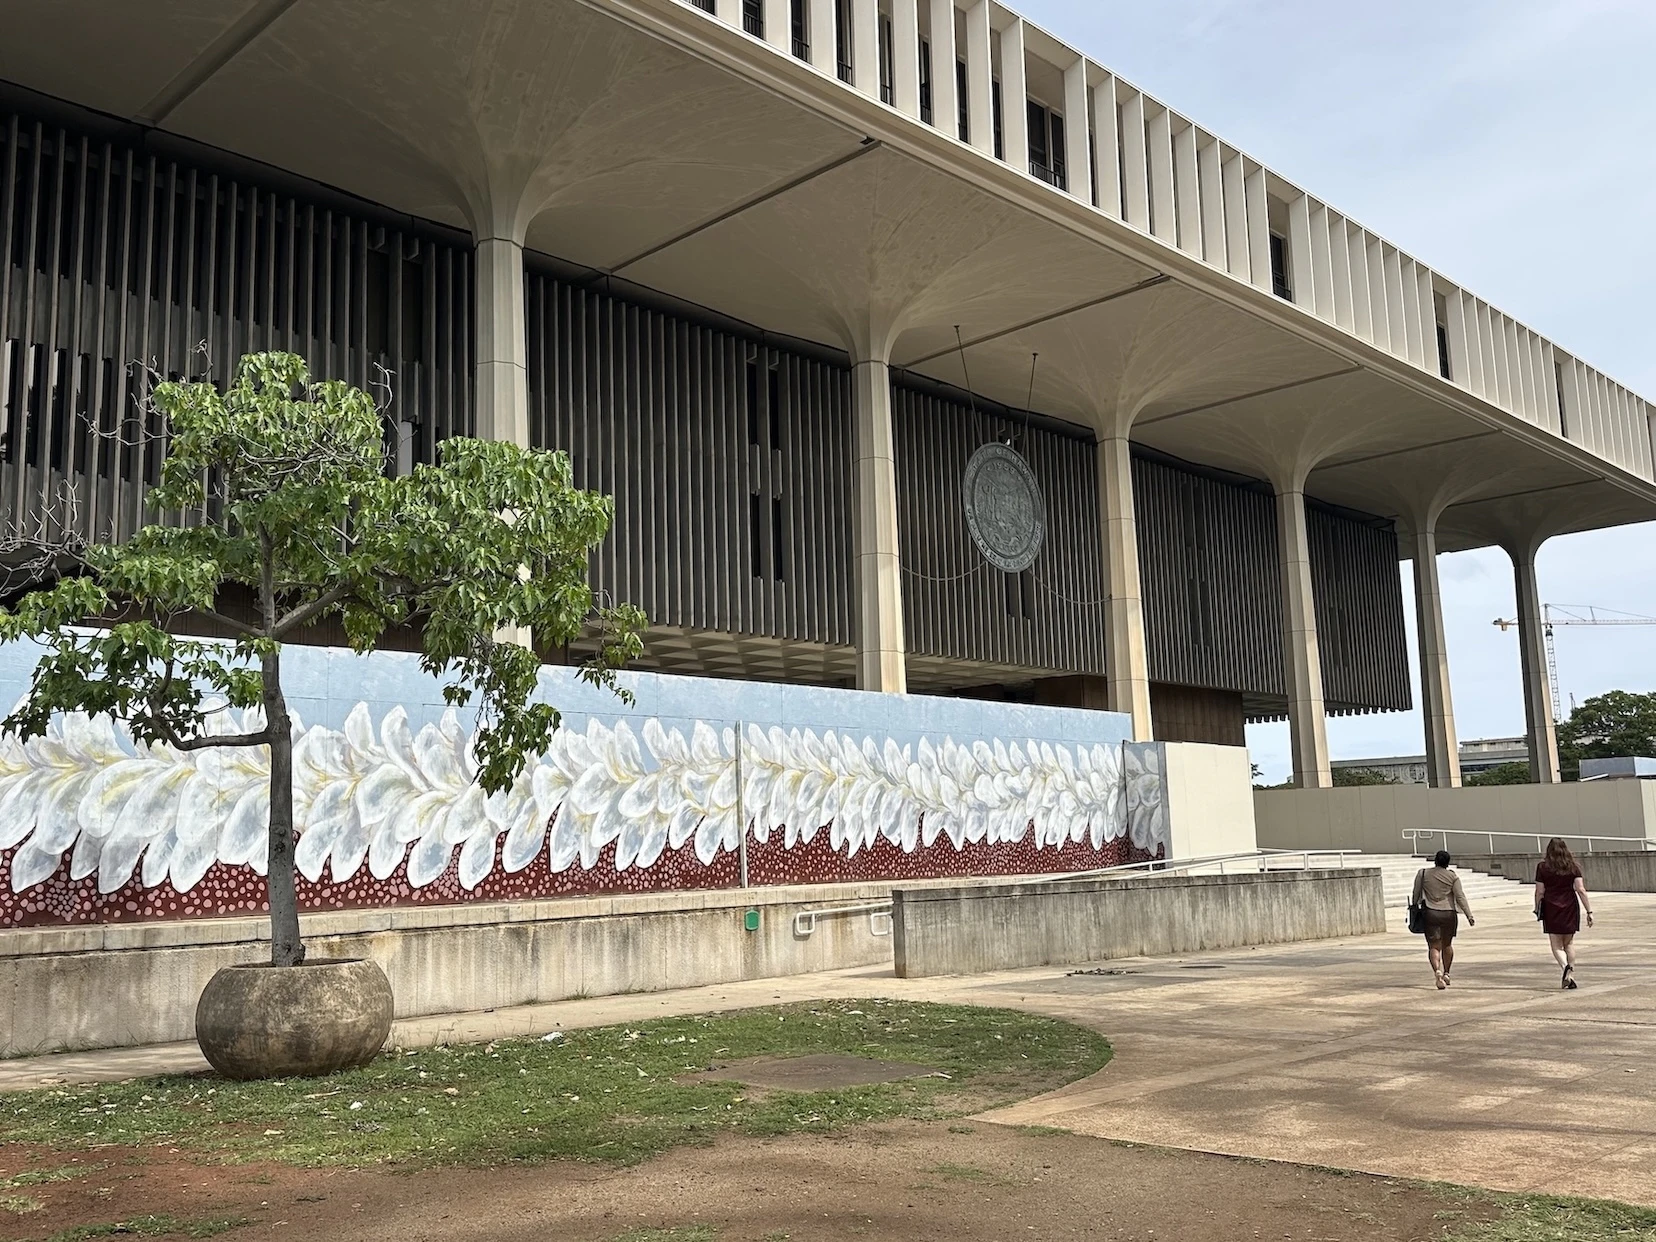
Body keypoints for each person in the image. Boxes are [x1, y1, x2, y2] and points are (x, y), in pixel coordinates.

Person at [1535, 837, 1594, 989]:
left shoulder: (1542, 867)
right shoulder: (1573, 867)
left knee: (1556, 945)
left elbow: (1540, 891)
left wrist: (1537, 908)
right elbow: (1580, 889)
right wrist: (1589, 911)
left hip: (1551, 907)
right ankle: (1571, 973)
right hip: (1569, 906)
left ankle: (1565, 967)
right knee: (1569, 943)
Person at [1412, 849, 1474, 989]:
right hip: (1449, 914)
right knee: (1447, 944)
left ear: (1435, 860)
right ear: (1448, 862)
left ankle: (1437, 971)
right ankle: (1447, 972)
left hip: (1430, 913)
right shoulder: (1453, 877)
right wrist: (1468, 915)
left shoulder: (1423, 873)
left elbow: (1416, 893)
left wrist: (1414, 906)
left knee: (1434, 946)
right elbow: (1460, 896)